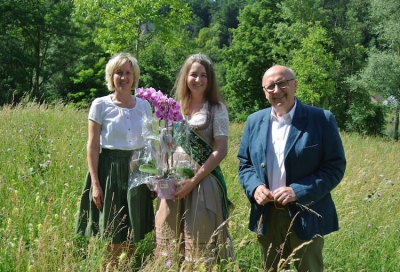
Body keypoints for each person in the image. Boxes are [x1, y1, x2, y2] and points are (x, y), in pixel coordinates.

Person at [237, 65, 346, 271]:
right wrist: (254, 187)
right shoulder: (254, 121)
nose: (277, 91)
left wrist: (298, 191)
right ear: (264, 92)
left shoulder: (321, 119)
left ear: (295, 85)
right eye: (270, 87)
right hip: (267, 216)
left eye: (282, 83)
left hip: (305, 215)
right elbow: (245, 164)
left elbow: (335, 167)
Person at [75, 52, 154, 269]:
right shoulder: (100, 105)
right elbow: (92, 146)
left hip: (137, 171)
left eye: (128, 73)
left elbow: (149, 145)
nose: (124, 77)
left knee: (131, 231)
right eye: (119, 72)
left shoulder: (144, 106)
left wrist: (152, 179)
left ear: (134, 77)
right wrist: (95, 184)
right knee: (112, 232)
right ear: (111, 76)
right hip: (108, 171)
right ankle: (111, 267)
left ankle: (126, 267)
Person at [154, 53, 234, 265]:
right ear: (185, 77)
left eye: (203, 75)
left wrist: (193, 181)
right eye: (193, 75)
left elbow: (221, 150)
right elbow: (166, 145)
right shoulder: (173, 107)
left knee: (198, 241)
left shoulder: (216, 109)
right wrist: (159, 175)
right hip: (173, 183)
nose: (198, 80)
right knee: (169, 239)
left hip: (202, 184)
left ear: (210, 79)